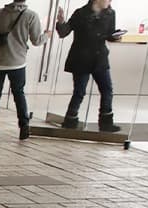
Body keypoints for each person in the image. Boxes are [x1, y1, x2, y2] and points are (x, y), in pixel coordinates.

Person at [0, 0, 48, 139]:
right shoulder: (31, 15)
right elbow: (37, 41)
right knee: (19, 94)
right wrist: (47, 35)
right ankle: (24, 128)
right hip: (17, 63)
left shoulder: (0, 13)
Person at [56, 0, 124, 132]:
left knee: (107, 90)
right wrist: (61, 22)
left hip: (100, 58)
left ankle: (106, 123)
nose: (110, 1)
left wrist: (115, 37)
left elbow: (109, 34)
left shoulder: (110, 13)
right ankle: (70, 121)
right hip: (82, 58)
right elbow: (64, 32)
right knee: (79, 91)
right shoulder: (81, 13)